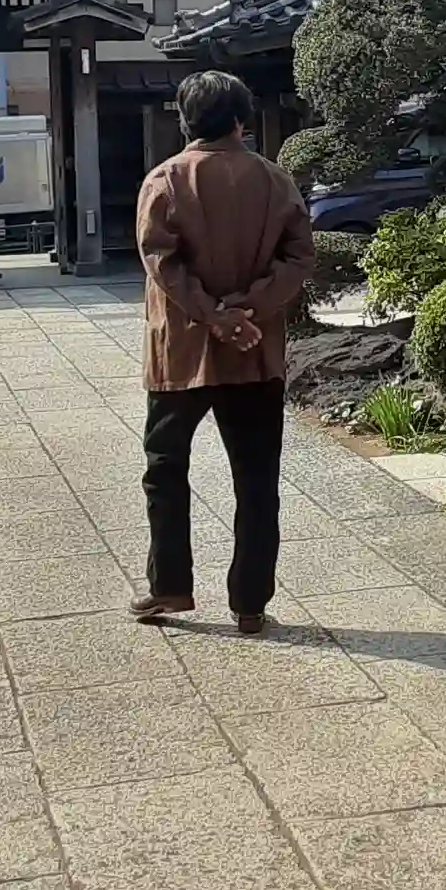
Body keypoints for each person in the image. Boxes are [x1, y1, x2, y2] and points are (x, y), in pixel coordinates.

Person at [130, 70, 315, 635]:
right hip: (255, 350)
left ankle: (169, 587)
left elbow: (161, 262)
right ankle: (250, 602)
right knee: (256, 478)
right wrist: (247, 311)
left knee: (166, 468)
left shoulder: (164, 180)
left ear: (186, 121)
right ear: (241, 120)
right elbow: (299, 257)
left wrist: (212, 315)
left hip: (181, 352)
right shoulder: (275, 180)